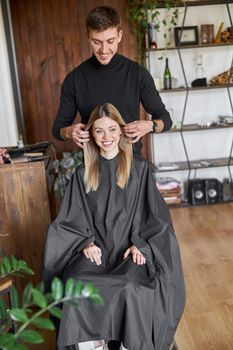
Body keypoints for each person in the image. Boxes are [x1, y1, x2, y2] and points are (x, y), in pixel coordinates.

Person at [43, 103, 185, 350]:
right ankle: (91, 343)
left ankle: (127, 344)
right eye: (99, 131)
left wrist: (143, 245)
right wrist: (84, 243)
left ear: (121, 131)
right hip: (94, 251)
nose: (106, 137)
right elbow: (70, 219)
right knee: (76, 283)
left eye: (111, 129)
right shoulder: (82, 173)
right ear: (91, 135)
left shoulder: (139, 171)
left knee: (130, 287)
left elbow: (156, 219)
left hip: (128, 252)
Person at [52, 6, 172, 155]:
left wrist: (150, 126)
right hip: (93, 166)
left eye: (110, 41)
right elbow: (58, 130)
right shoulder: (74, 79)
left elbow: (166, 120)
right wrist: (69, 132)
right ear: (87, 36)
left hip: (132, 164)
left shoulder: (137, 73)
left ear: (120, 36)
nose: (104, 49)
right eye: (97, 42)